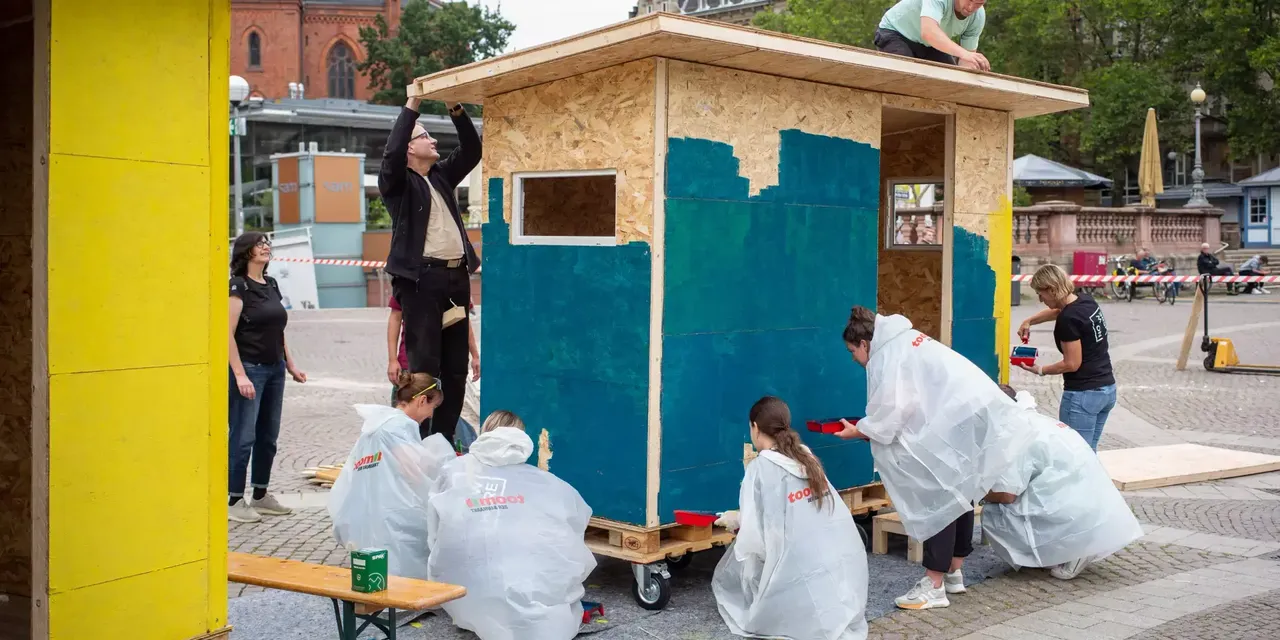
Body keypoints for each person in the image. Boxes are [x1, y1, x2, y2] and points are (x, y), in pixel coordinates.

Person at [834, 306, 1032, 611]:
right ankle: (954, 572)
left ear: (864, 344)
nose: (853, 359)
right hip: (969, 414)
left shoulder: (889, 355)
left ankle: (934, 584)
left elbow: (891, 413)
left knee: (937, 497)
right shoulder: (906, 339)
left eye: (852, 351)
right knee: (960, 489)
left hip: (957, 418)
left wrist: (859, 429)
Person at [426, 411, 596, 640]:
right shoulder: (544, 482)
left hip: (469, 593)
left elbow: (435, 533)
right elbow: (577, 520)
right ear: (520, 437)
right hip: (535, 600)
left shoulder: (454, 471)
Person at [711, 396, 869, 639]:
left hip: (793, 562)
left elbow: (754, 535)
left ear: (754, 427)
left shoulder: (760, 467)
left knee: (740, 576)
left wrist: (736, 523)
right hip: (832, 560)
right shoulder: (804, 455)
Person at [380, 94, 481, 443]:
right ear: (409, 148)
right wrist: (413, 107)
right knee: (425, 369)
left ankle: (444, 439)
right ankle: (416, 440)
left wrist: (456, 109)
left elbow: (472, 150)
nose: (433, 140)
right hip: (421, 281)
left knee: (455, 370)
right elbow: (391, 154)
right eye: (425, 136)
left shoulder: (440, 176)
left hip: (455, 278)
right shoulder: (397, 184)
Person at [982, 385, 1144, 580]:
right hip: (1095, 499)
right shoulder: (1038, 421)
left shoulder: (1016, 435)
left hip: (1069, 507)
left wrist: (978, 494)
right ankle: (1060, 551)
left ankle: (1059, 553)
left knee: (993, 513)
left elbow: (1007, 494)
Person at [328, 372, 456, 580]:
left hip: (368, 510)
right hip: (393, 513)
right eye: (432, 408)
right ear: (422, 400)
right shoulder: (400, 427)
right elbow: (414, 472)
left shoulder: (375, 425)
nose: (431, 415)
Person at [228, 232, 307, 523]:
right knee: (243, 436)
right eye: (260, 244)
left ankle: (260, 495)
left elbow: (278, 329)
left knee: (268, 437)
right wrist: (239, 375)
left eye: (267, 244)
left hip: (274, 369)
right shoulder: (238, 286)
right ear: (246, 251)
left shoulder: (271, 284)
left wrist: (290, 364)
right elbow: (227, 334)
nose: (266, 247)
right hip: (250, 369)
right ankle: (234, 499)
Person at [1017, 264, 1116, 452]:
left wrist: (1040, 370)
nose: (1040, 299)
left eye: (1041, 293)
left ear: (1052, 289)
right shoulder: (1085, 301)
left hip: (1084, 394)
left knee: (1074, 455)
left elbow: (1071, 364)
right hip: (1107, 390)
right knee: (1088, 453)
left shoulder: (1068, 320)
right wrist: (1029, 321)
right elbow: (1057, 311)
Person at [386, 293, 482, 446]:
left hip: (448, 365)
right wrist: (392, 359)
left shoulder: (456, 281)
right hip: (410, 363)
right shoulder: (407, 279)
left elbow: (464, 321)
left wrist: (475, 355)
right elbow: (395, 317)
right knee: (404, 425)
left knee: (443, 425)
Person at [875, 0, 990, 71]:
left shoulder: (978, 17)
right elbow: (929, 32)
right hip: (896, 33)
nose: (971, 8)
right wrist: (965, 53)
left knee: (950, 79)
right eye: (969, 0)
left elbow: (966, 62)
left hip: (930, 45)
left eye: (978, 4)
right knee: (905, 74)